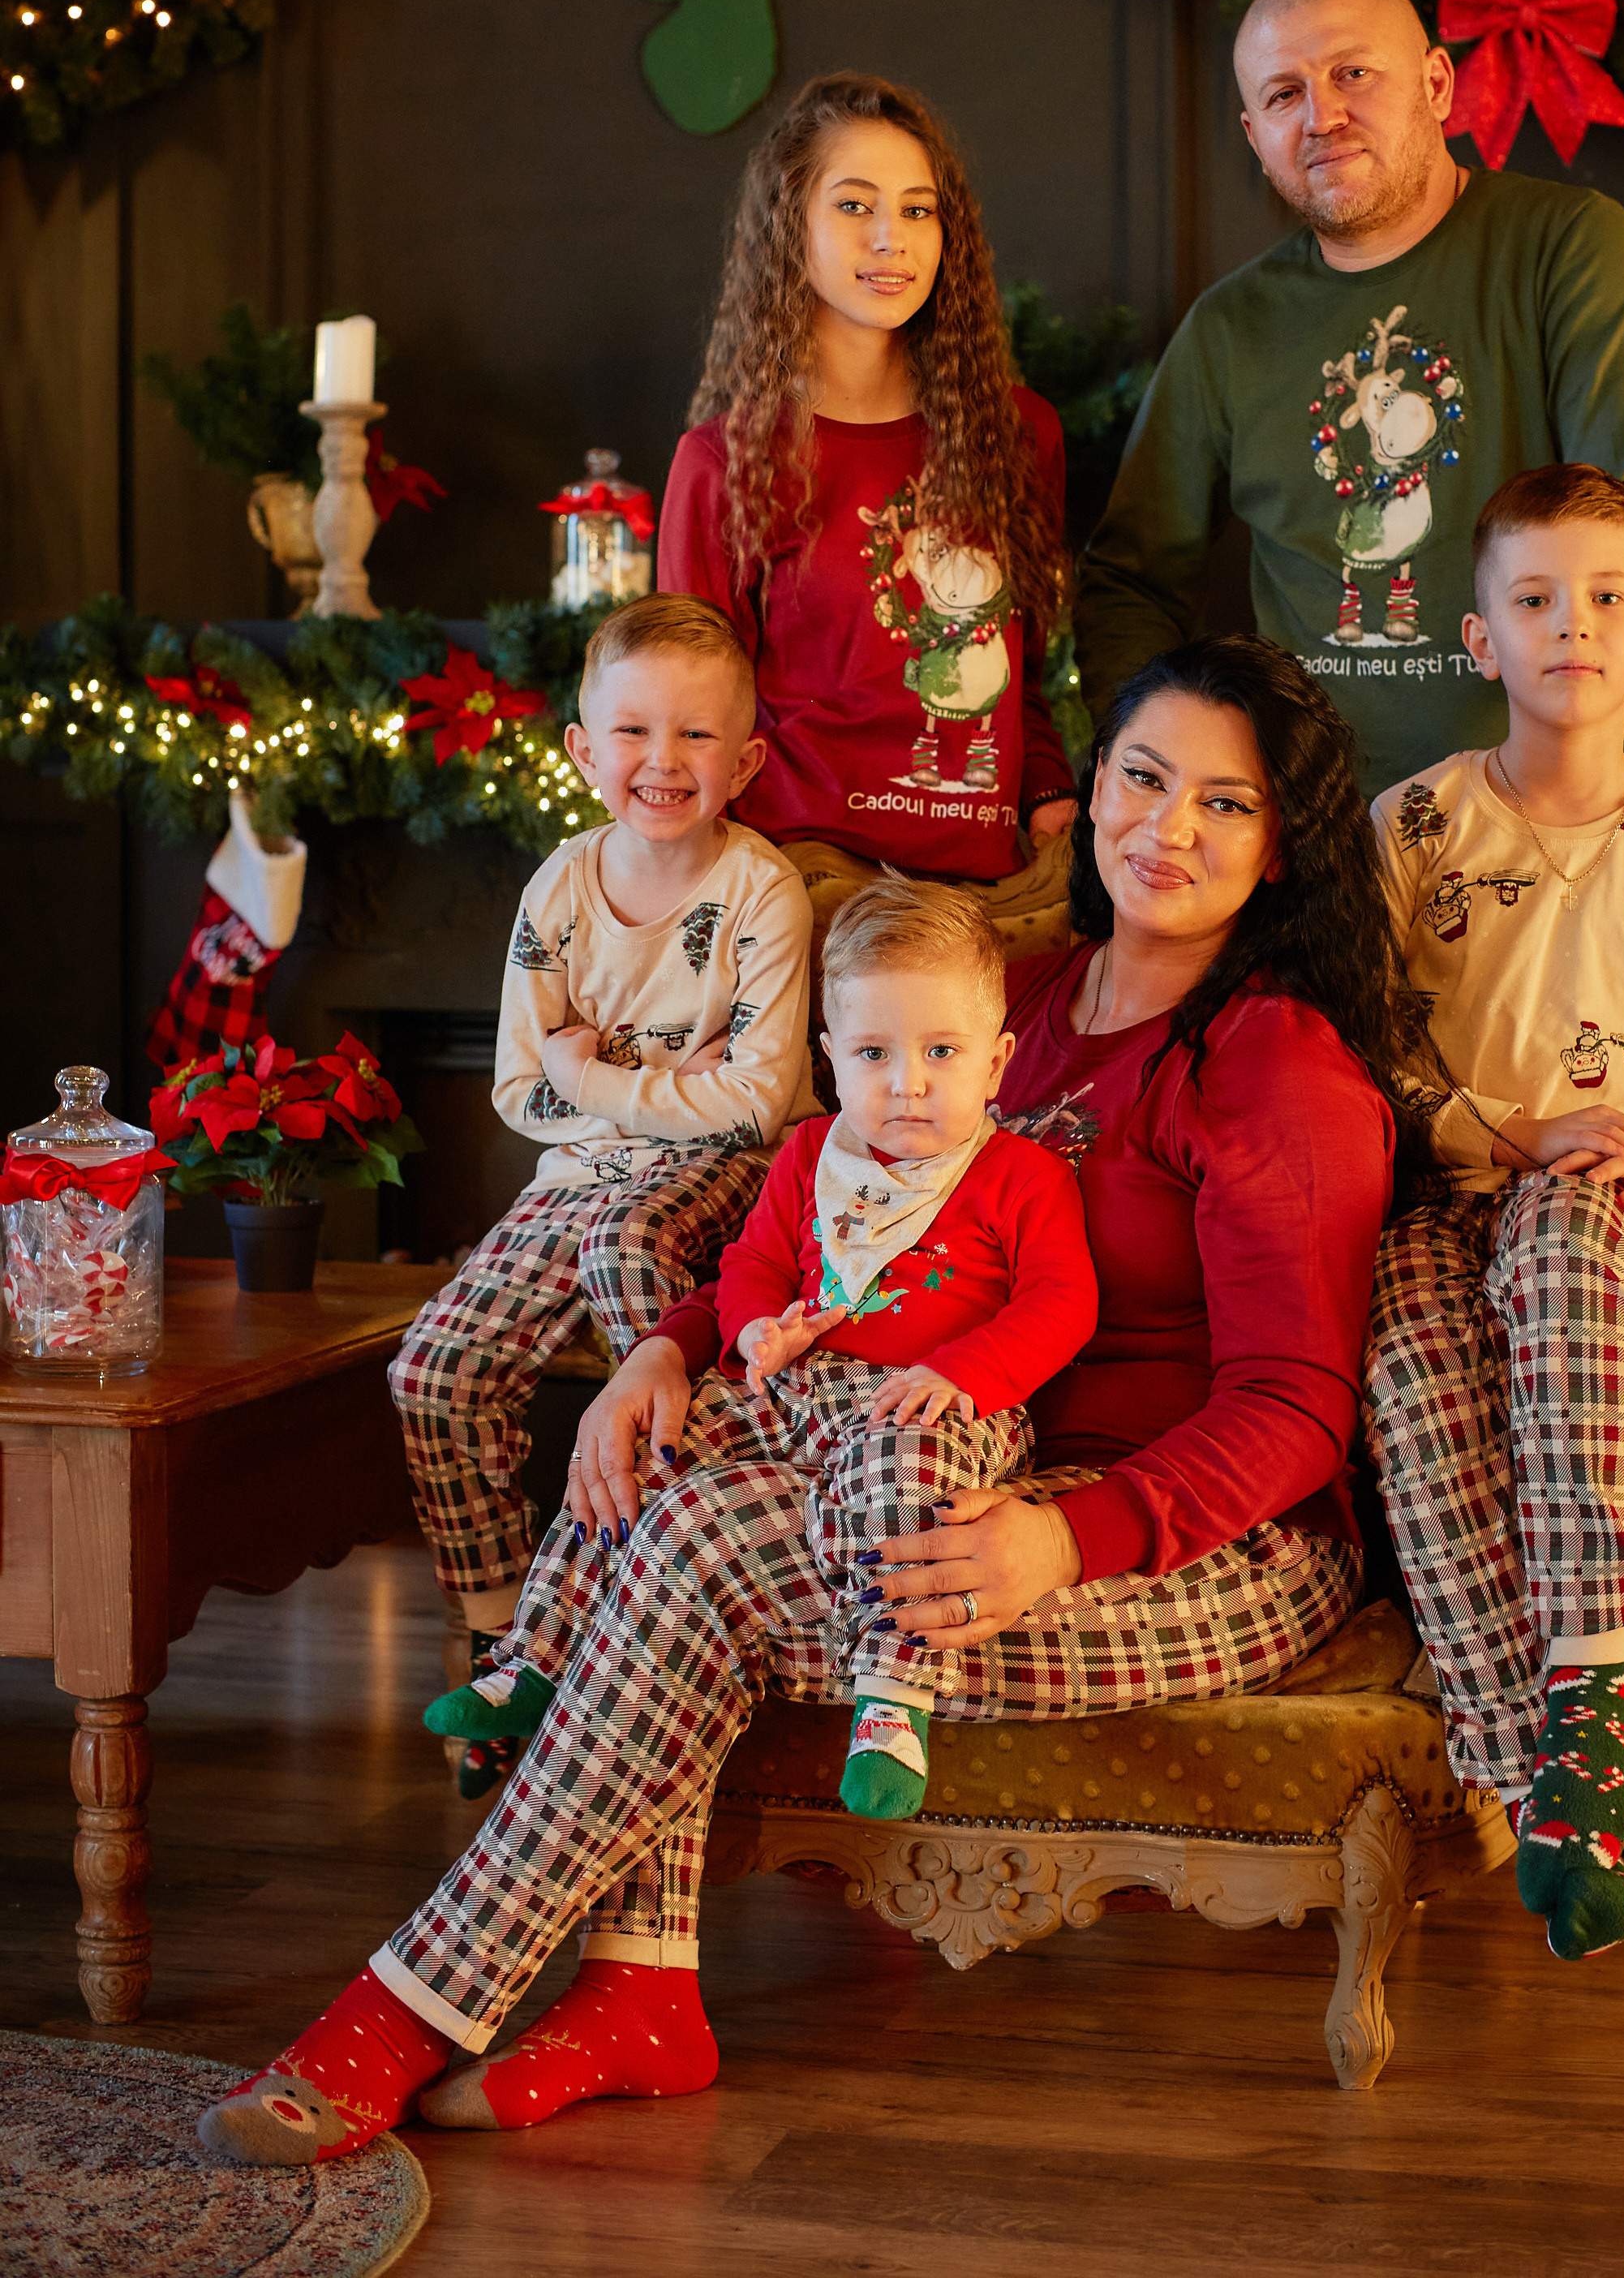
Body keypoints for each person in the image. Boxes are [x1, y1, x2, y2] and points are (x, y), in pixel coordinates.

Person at [198, 634, 1429, 2169]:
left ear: (1285, 838)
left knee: (705, 1550)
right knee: (672, 1496)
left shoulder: (1274, 1067)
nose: (1165, 828)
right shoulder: (1008, 1005)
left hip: (1194, 1540)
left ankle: (412, 2009)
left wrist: (1068, 1540)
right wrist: (669, 1349)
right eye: (1140, 775)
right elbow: (827, 1223)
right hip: (946, 1458)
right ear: (1090, 786)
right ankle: (636, 1992)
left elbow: (1299, 1407)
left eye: (1225, 803)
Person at [423, 875, 1098, 1825]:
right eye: (875, 1052)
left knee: (913, 1476)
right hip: (792, 1386)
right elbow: (752, 1264)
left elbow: (1063, 1304)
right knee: (648, 1452)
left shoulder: (1020, 1175)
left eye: (941, 1052)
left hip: (929, 1404)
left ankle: (894, 1700)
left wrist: (963, 1372)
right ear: (830, 1059)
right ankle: (536, 1653)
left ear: (996, 1063)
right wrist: (750, 1330)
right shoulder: (811, 1154)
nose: (907, 1082)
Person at [1362, 465, 1624, 1963]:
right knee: (1413, 1388)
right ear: (1481, 640)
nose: (1572, 628)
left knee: (1569, 1269)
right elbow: (1368, 1059)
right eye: (1534, 600)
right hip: (1437, 1185)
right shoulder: (1411, 831)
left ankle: (1592, 1718)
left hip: (1596, 1199)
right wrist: (1502, 1129)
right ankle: (1552, 1769)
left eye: (1605, 599)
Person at [1074, 0, 1624, 793]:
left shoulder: (1567, 249)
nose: (1322, 116)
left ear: (1437, 84)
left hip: (1535, 824)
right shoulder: (1230, 329)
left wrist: (1620, 807)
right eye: (1282, 95)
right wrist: (1159, 778)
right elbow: (1129, 579)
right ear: (1255, 135)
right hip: (1314, 845)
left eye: (1352, 73)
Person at [388, 593, 814, 1795]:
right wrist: (642, 1082)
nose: (662, 762)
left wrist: (598, 1068)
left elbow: (757, 1104)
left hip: (713, 1175)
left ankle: (643, 1590)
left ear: (746, 760)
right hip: (573, 1173)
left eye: (693, 737)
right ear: (584, 751)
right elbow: (524, 1090)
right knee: (433, 1367)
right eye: (632, 734)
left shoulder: (761, 896)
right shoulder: (558, 894)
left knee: (633, 1251)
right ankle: (499, 1632)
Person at [657, 71, 1079, 923]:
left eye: (918, 209)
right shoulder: (722, 462)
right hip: (804, 883)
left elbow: (1021, 670)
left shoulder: (1018, 434)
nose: (892, 237)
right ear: (790, 228)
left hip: (996, 889)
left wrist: (1046, 789)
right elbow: (687, 713)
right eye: (854, 206)